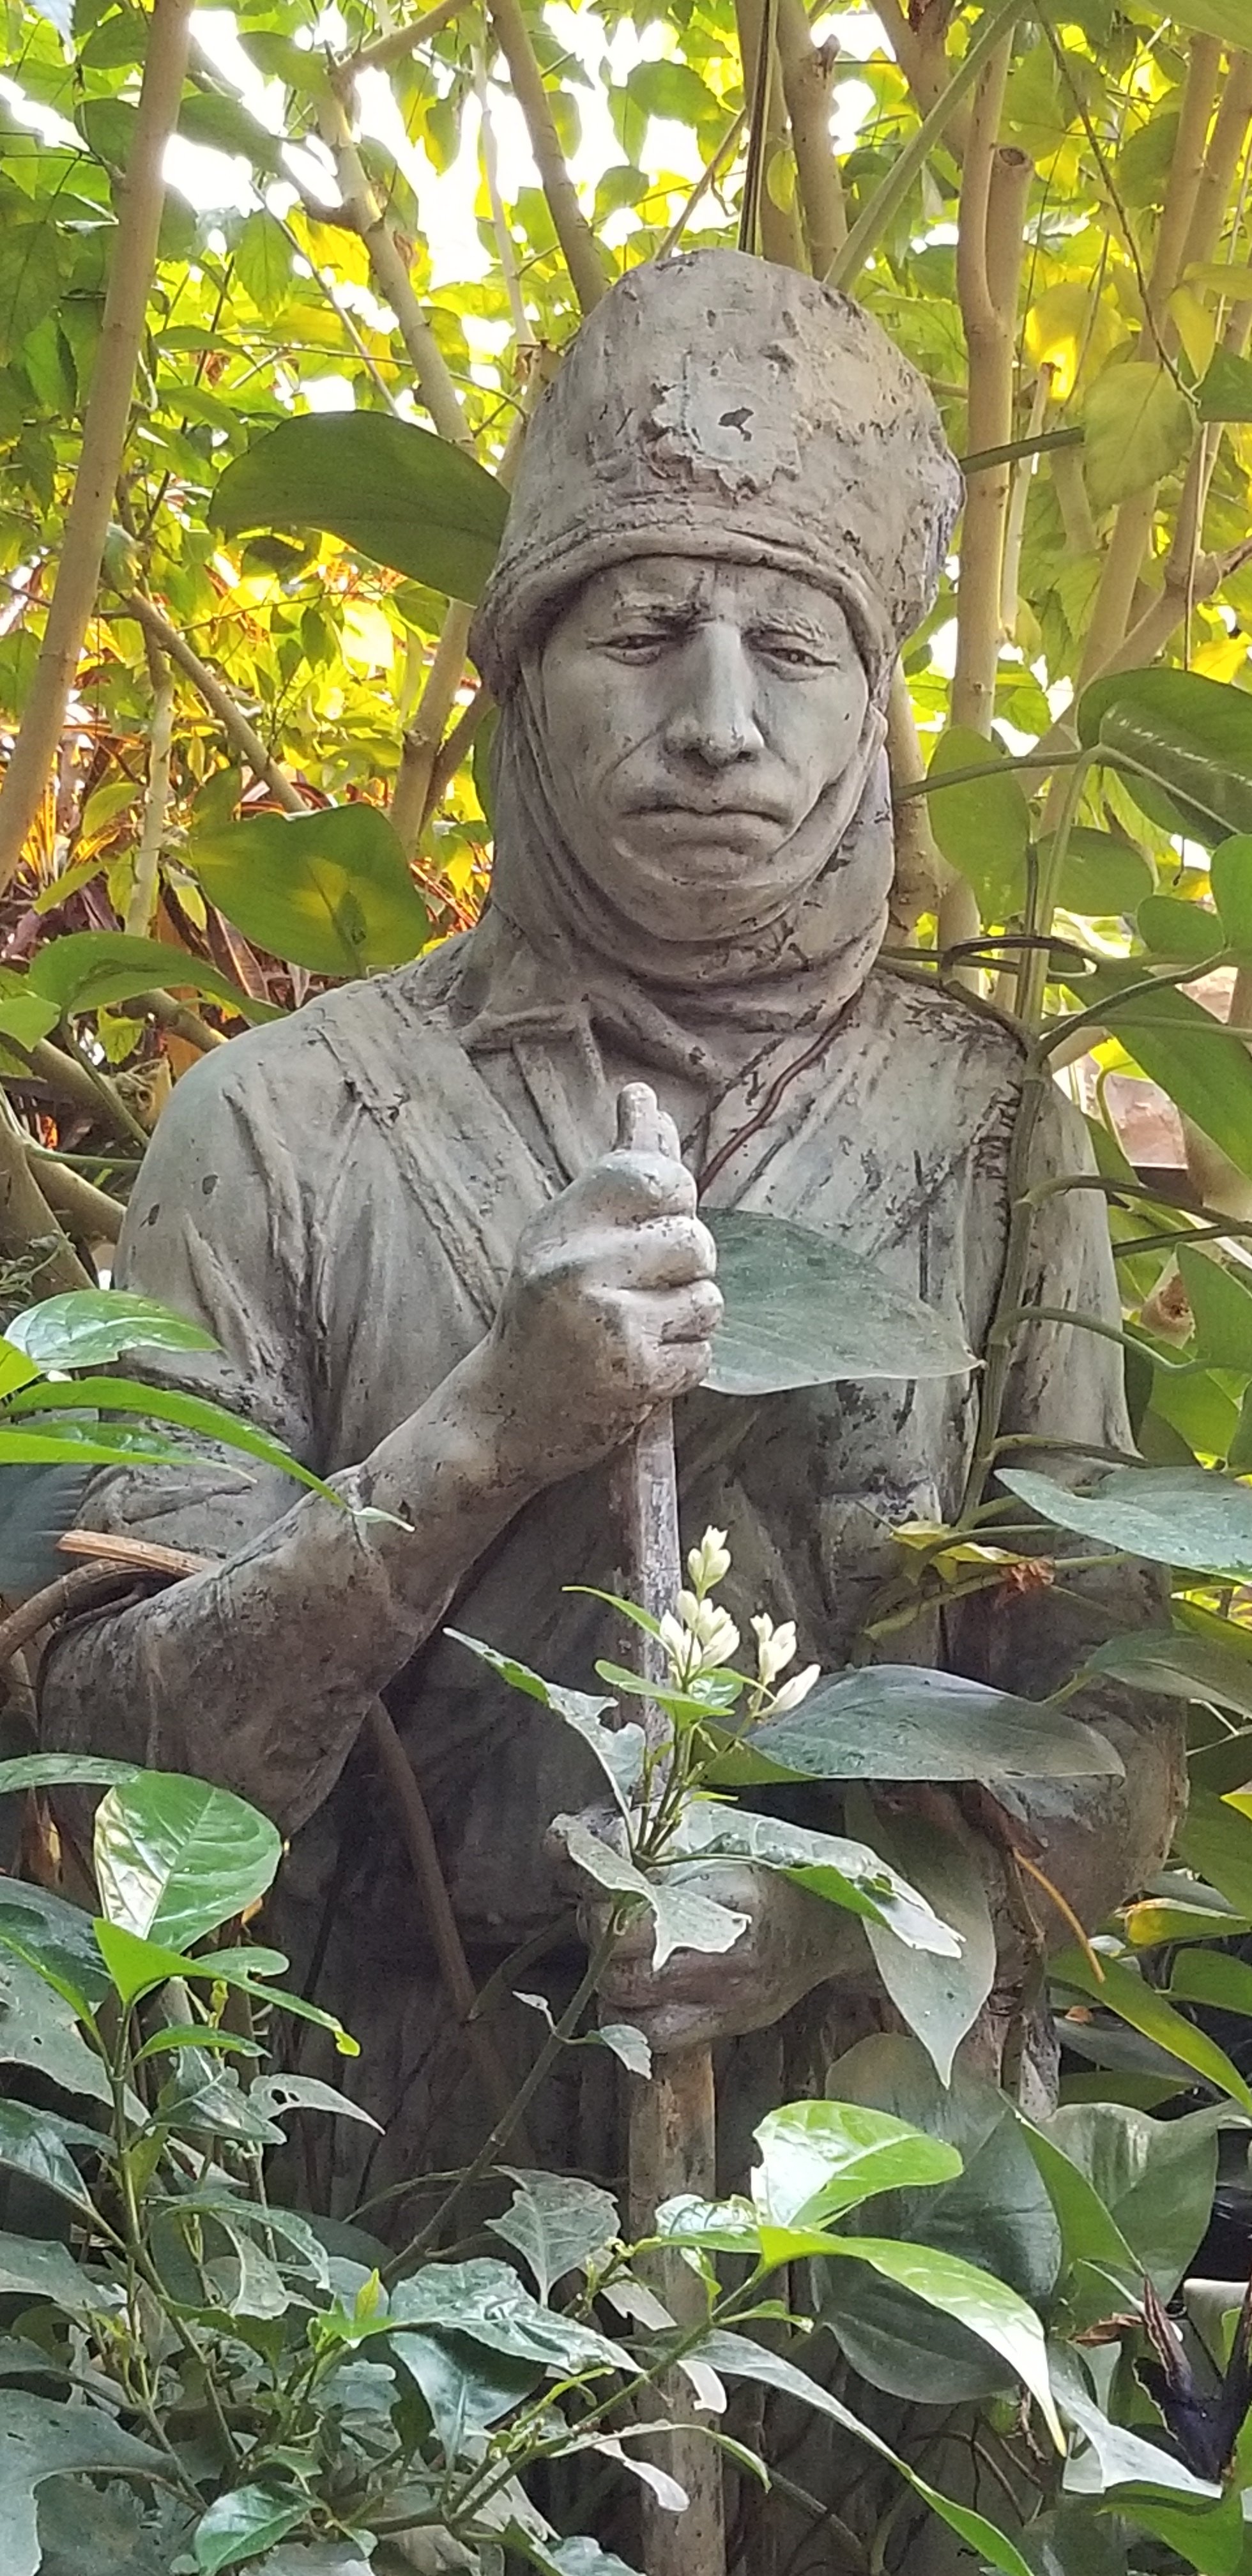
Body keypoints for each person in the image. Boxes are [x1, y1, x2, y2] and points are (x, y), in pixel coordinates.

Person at [39, 249, 1179, 2227]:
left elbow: (1112, 1748)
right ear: (519, 680)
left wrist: (842, 1918)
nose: (720, 719)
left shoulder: (996, 1139)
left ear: (876, 708)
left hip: (856, 2263)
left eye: (791, 648)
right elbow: (127, 1785)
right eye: (646, 631)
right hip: (356, 2257)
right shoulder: (286, 1126)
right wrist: (478, 1436)